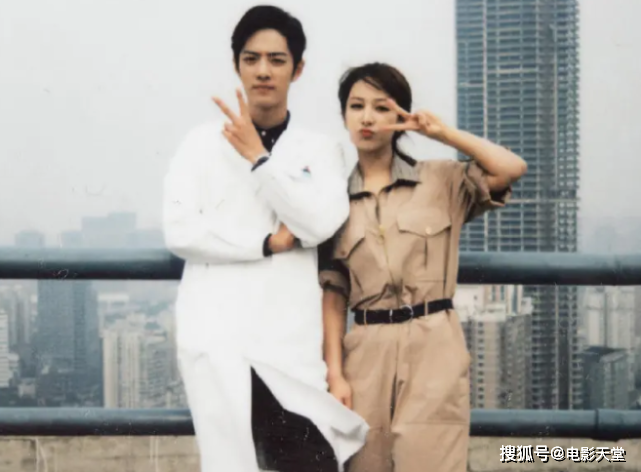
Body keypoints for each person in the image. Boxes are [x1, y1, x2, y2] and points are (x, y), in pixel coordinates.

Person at [162, 6, 369, 472]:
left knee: (311, 460)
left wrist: (260, 160)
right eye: (251, 58)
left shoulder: (321, 148)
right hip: (218, 335)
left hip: (289, 343)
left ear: (298, 69)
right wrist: (264, 242)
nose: (263, 71)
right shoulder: (200, 144)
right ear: (236, 64)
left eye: (277, 60)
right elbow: (180, 230)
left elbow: (320, 223)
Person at [319, 63, 527, 472]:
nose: (367, 118)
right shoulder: (332, 200)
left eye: (381, 107)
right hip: (366, 353)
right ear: (343, 116)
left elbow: (510, 168)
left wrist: (442, 134)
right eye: (356, 106)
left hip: (434, 345)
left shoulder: (440, 180)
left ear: (401, 117)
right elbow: (333, 293)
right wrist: (336, 375)